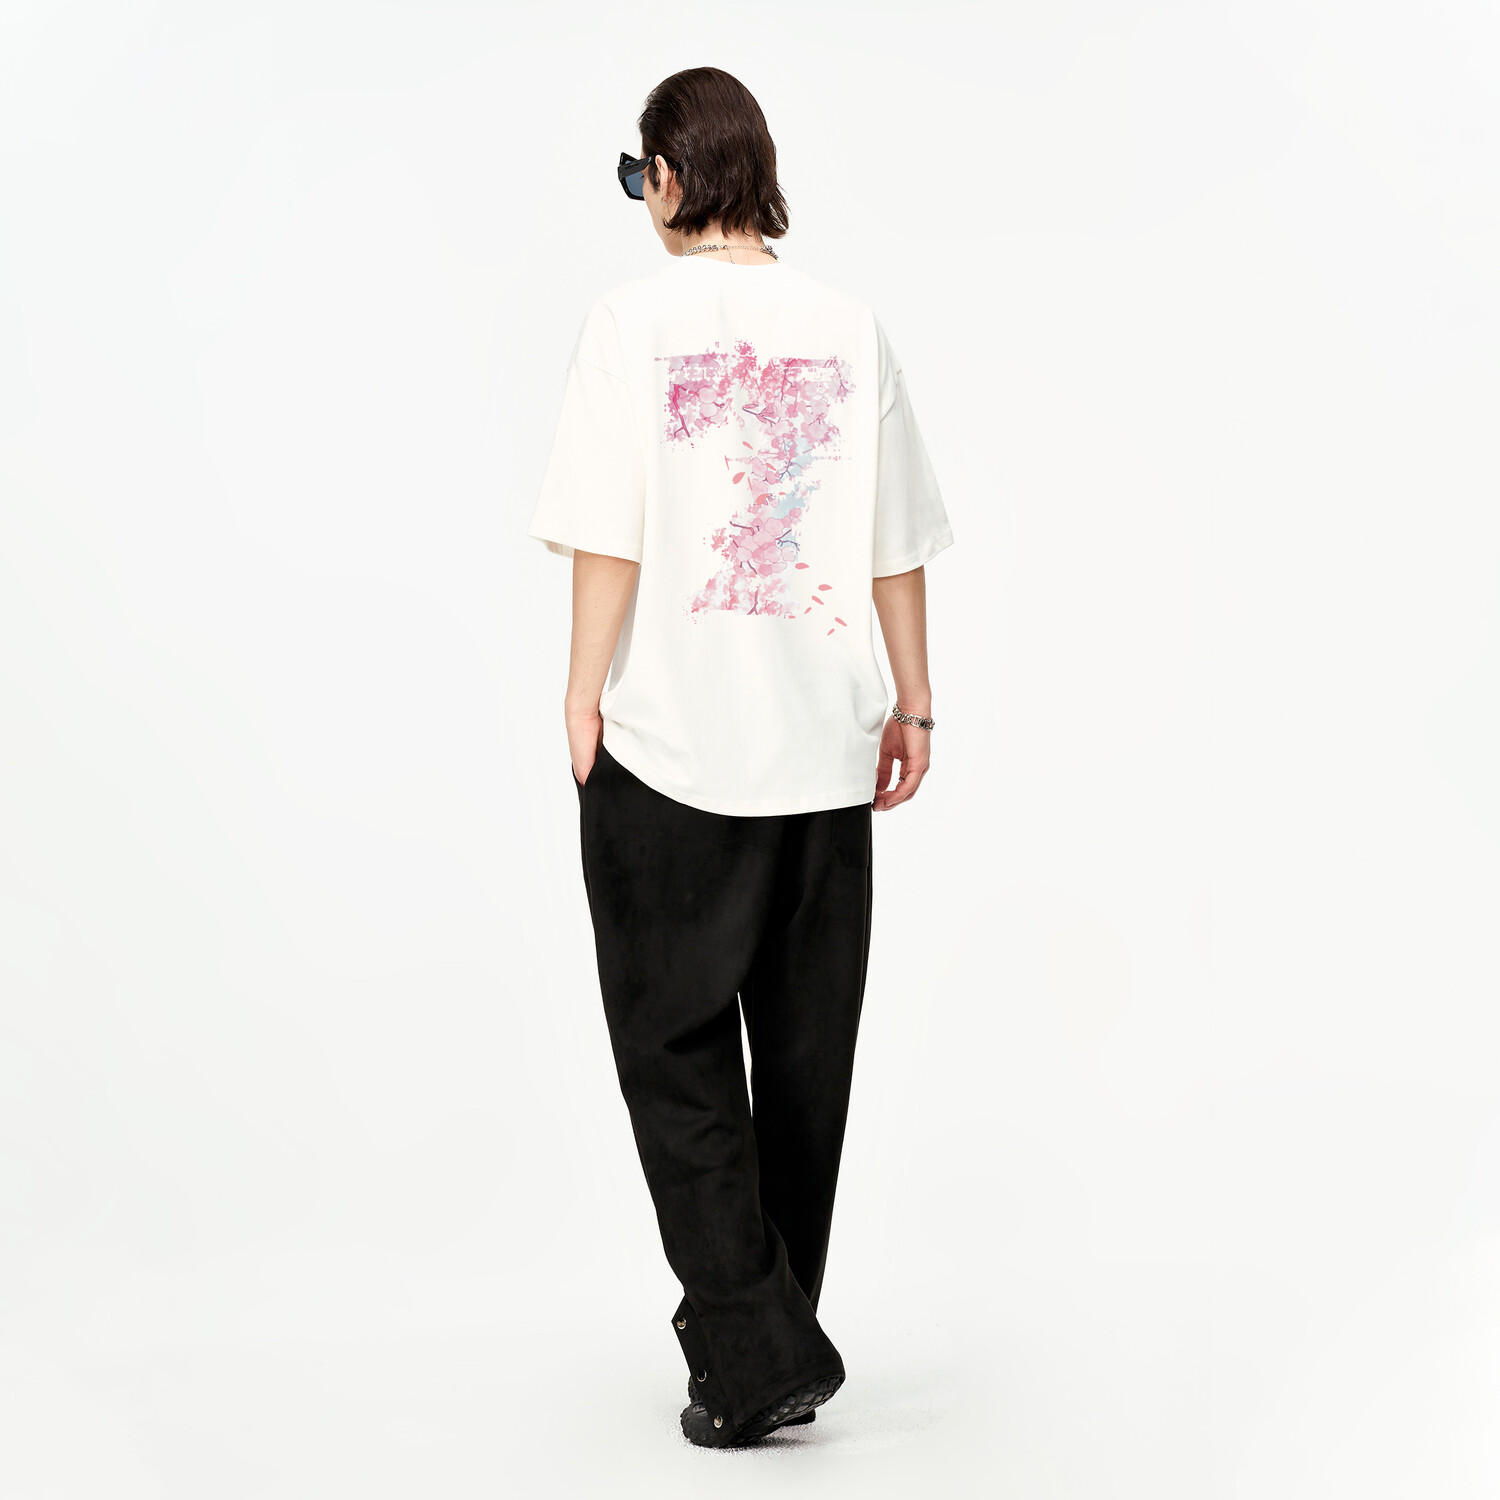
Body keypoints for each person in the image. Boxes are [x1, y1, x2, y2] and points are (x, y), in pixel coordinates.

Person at [527, 66, 952, 1448]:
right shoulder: (850, 326)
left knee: (674, 1052)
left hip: (670, 744)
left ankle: (758, 1354)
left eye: (635, 176)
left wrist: (581, 691)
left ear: (667, 174)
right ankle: (759, 1359)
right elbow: (894, 540)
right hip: (826, 754)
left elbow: (609, 532)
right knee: (805, 1065)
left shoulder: (627, 325)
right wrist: (914, 704)